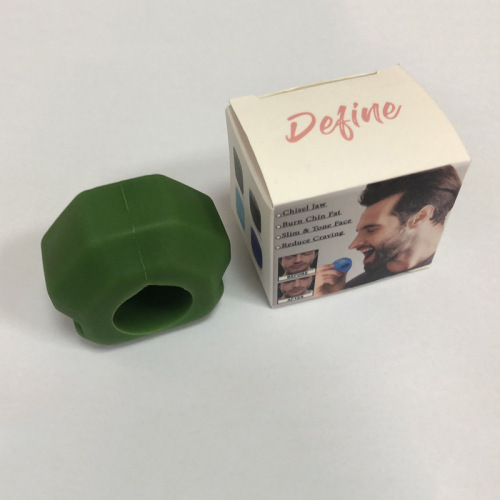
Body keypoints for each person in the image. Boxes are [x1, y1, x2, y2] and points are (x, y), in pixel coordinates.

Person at [314, 165, 462, 295]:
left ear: (420, 217)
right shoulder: (353, 288)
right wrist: (327, 297)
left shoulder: (458, 271)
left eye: (371, 230)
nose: (353, 245)